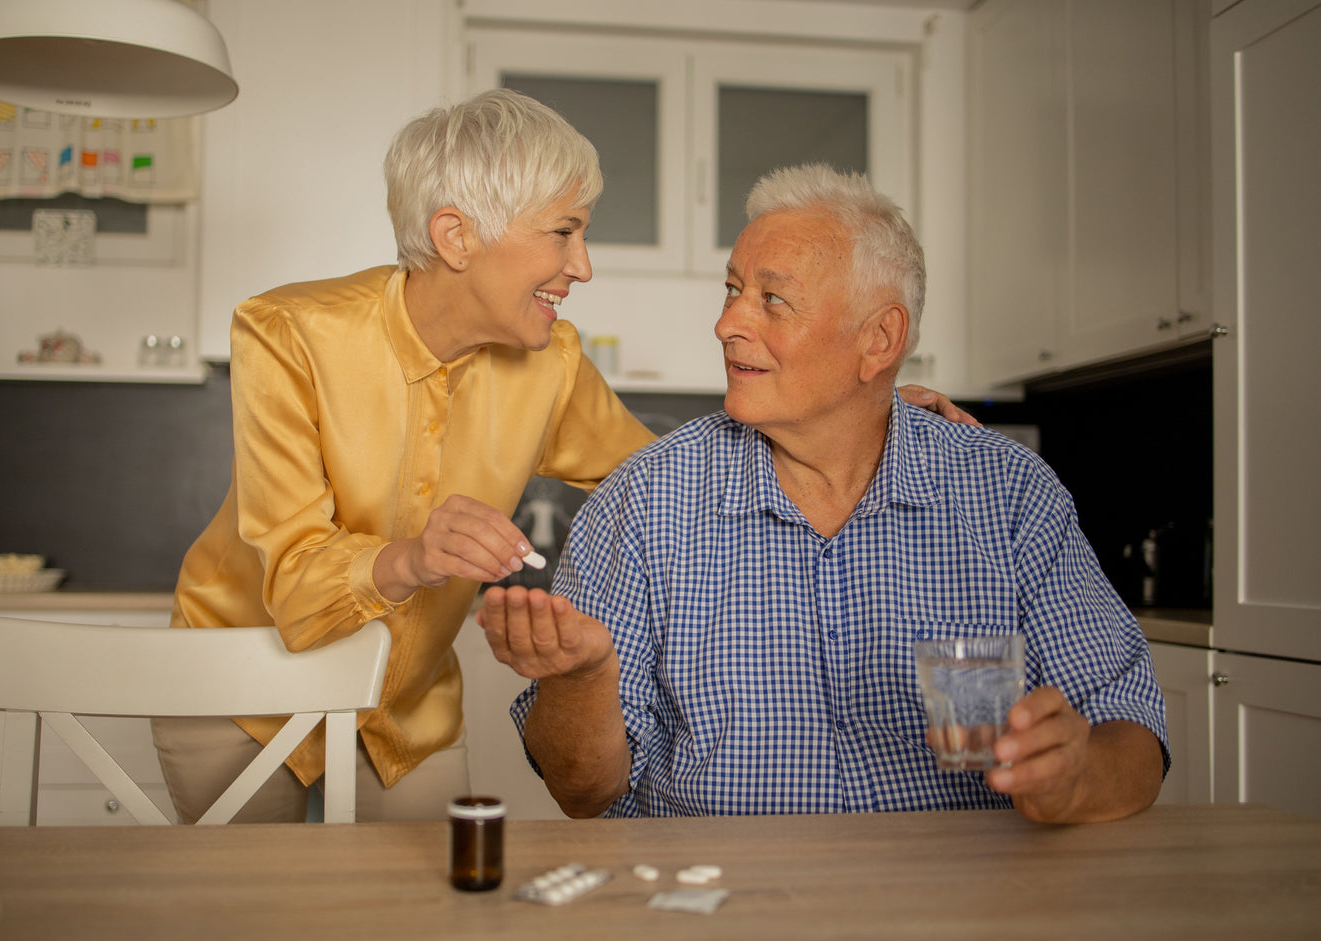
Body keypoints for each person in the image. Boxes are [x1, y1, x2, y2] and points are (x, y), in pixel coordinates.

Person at [155, 92, 976, 824]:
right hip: (242, 690)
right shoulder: (287, 331)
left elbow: (673, 473)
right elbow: (294, 575)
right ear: (457, 235)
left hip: (401, 712)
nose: (581, 265)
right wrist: (410, 557)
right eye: (563, 232)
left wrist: (851, 406)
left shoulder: (548, 362)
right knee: (240, 937)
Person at [478, 162, 1169, 824]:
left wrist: (1075, 778)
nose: (727, 324)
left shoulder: (1006, 493)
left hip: (962, 907)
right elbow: (582, 792)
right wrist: (580, 679)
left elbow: (1133, 735)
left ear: (879, 340)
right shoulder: (643, 503)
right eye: (732, 290)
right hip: (717, 910)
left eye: (772, 299)